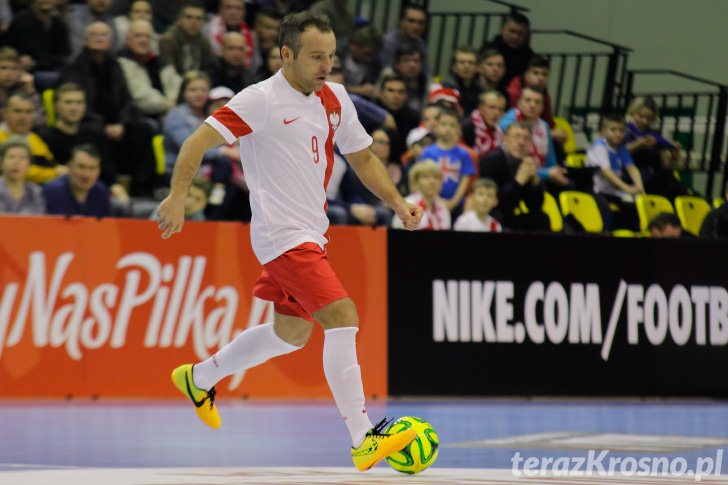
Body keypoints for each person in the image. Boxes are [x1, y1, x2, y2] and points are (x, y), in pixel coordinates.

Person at [156, 11, 421, 471]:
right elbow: (195, 143)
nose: (327, 66)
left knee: (291, 334)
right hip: (281, 236)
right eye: (316, 57)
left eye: (332, 57)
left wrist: (398, 202)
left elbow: (362, 159)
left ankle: (198, 378)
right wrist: (178, 196)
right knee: (342, 315)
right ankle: (363, 438)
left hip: (312, 233)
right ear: (286, 55)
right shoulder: (259, 100)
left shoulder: (336, 98)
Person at [479, 121, 550, 232]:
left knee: (541, 218)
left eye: (526, 139)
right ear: (505, 139)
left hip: (511, 216)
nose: (521, 142)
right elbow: (495, 203)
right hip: (490, 215)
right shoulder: (490, 160)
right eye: (516, 137)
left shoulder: (525, 163)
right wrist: (518, 182)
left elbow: (534, 206)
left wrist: (535, 183)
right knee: (498, 217)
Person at [499, 85, 568, 187]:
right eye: (528, 100)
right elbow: (512, 166)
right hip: (514, 179)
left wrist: (555, 172)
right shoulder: (508, 124)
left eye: (537, 102)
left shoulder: (543, 126)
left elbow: (551, 161)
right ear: (519, 103)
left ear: (543, 107)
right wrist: (547, 174)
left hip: (540, 180)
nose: (532, 105)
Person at [585, 114, 644, 230]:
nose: (617, 134)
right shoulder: (599, 147)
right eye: (613, 130)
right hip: (596, 190)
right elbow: (606, 172)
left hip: (614, 191)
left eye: (621, 130)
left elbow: (632, 169)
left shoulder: (621, 148)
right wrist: (627, 188)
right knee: (606, 212)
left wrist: (639, 188)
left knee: (636, 208)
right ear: (603, 131)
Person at [624, 96, 688, 201]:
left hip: (655, 177)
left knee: (674, 186)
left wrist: (674, 156)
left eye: (649, 119)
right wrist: (638, 145)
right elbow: (616, 152)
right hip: (633, 176)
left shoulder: (654, 137)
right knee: (668, 185)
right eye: (641, 116)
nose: (644, 121)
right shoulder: (625, 131)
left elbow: (666, 166)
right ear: (633, 113)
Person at [0, 92, 65, 184]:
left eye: (28, 112)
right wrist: (54, 174)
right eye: (17, 111)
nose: (23, 117)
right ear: (5, 113)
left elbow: (53, 166)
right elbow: (18, 171)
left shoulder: (35, 140)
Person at [418, 108, 475, 214]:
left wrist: (453, 203)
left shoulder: (464, 154)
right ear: (436, 126)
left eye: (452, 125)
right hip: (431, 203)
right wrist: (438, 201)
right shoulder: (428, 152)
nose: (448, 129)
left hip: (457, 206)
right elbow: (421, 178)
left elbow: (465, 180)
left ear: (458, 128)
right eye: (444, 124)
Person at [43, 143, 111, 217]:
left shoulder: (101, 192)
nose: (86, 175)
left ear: (99, 171)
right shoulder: (54, 191)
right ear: (70, 167)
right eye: (81, 167)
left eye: (92, 168)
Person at [391, 159, 449, 230]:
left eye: (436, 177)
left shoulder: (443, 208)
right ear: (416, 182)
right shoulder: (407, 204)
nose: (432, 181)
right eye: (426, 177)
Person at [159, 1, 215, 75]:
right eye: (189, 17)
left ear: (203, 22)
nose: (194, 22)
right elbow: (168, 73)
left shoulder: (204, 42)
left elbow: (209, 70)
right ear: (180, 19)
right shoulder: (168, 40)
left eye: (198, 18)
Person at [482, 12, 534, 88]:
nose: (515, 37)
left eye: (520, 33)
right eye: (511, 31)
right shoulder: (489, 49)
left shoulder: (529, 56)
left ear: (526, 35)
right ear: (502, 29)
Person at [380, 4, 429, 76]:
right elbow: (388, 72)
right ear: (401, 22)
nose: (416, 27)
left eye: (420, 23)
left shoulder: (420, 43)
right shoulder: (388, 42)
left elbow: (426, 72)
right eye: (411, 21)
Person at [0, 137, 45, 214]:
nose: (16, 162)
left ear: (29, 164)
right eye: (11, 157)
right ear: (1, 163)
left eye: (22, 158)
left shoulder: (36, 192)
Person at [462, 89, 506, 158]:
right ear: (480, 108)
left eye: (501, 109)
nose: (497, 113)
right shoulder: (467, 127)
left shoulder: (500, 132)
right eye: (492, 107)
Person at [442, 46, 482, 115]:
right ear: (454, 67)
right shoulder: (446, 87)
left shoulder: (480, 89)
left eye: (471, 63)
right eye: (462, 62)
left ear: (478, 67)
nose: (466, 66)